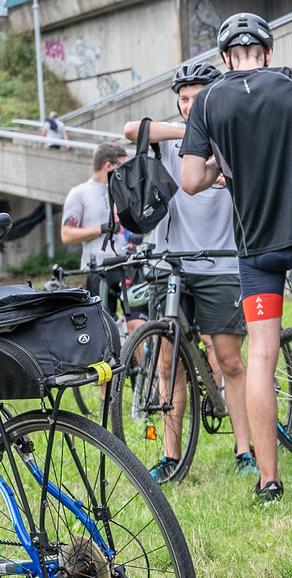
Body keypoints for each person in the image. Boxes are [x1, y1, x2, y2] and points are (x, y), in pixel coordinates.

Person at [178, 14, 292, 499]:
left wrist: (222, 157)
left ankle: (268, 480)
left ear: (224, 59)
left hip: (256, 251)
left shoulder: (209, 100)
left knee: (260, 356)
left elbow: (191, 180)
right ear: (268, 52)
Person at [122, 60, 258, 480]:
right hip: (170, 264)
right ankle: (170, 455)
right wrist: (191, 131)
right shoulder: (168, 141)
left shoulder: (234, 140)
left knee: (230, 361)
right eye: (182, 100)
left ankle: (244, 451)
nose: (187, 106)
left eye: (196, 99)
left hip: (221, 263)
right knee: (167, 364)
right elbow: (131, 129)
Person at [62, 139, 128, 292]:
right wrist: (100, 229)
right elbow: (66, 235)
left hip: (126, 263)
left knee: (136, 315)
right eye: (121, 165)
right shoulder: (79, 193)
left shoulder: (124, 191)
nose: (124, 170)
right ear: (108, 166)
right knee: (102, 315)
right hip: (97, 268)